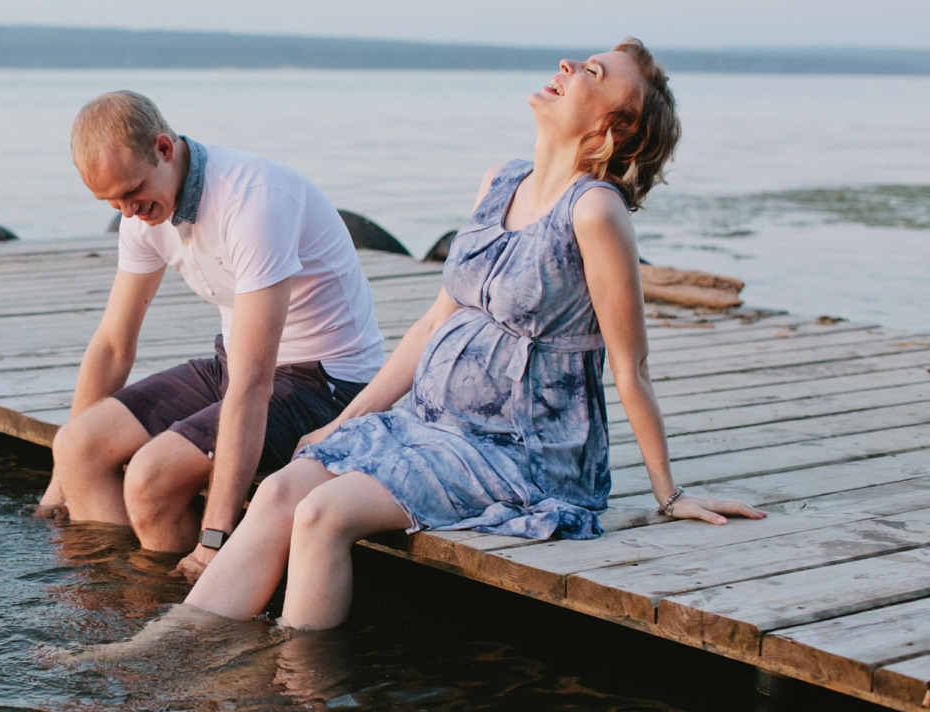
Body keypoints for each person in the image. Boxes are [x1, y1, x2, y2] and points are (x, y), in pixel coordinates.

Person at [172, 38, 768, 631]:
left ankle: (300, 687)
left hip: (523, 450)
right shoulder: (499, 181)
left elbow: (630, 365)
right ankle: (169, 644)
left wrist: (669, 493)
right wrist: (343, 421)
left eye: (593, 71)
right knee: (281, 491)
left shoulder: (593, 212)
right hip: (433, 425)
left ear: (616, 125)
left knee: (322, 515)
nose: (566, 65)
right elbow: (434, 322)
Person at [39, 91, 386, 580]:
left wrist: (213, 541)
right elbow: (114, 344)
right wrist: (61, 483)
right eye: (112, 201)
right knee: (77, 447)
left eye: (132, 192)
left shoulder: (253, 202)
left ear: (163, 148)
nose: (129, 211)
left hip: (325, 383)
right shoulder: (141, 210)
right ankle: (115, 605)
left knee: (149, 479)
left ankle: (184, 618)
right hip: (237, 362)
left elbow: (253, 385)